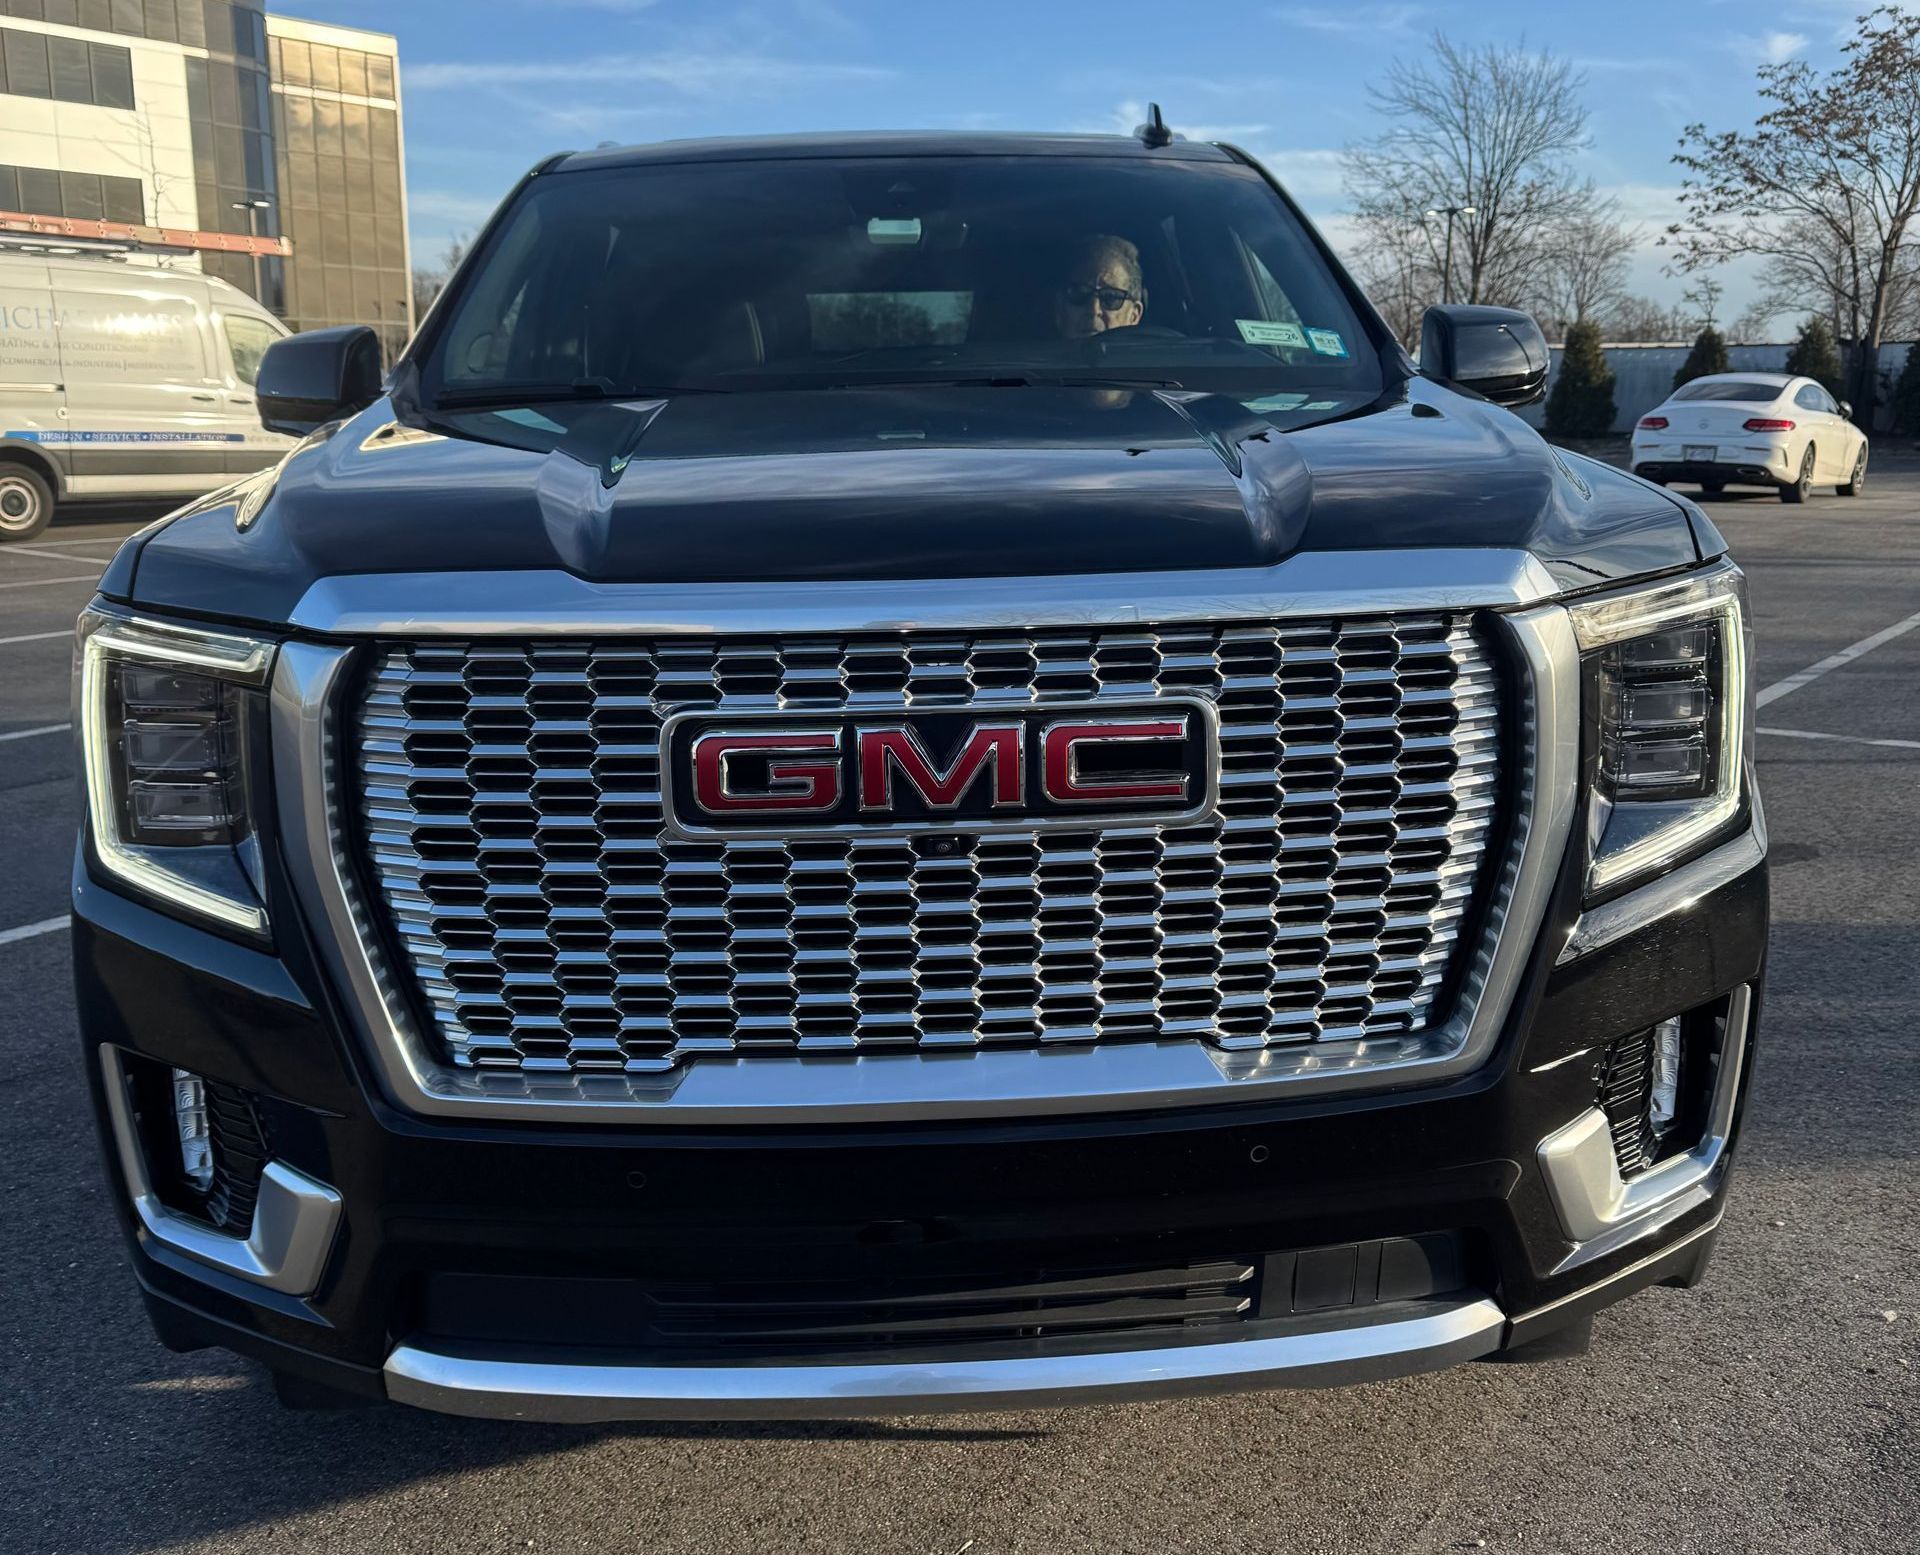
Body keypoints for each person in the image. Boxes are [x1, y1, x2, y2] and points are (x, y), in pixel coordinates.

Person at [1052, 234, 1146, 339]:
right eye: (1080, 294)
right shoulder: (1031, 355)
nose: (1094, 310)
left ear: (1133, 316)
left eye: (1110, 298)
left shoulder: (1157, 355)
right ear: (1059, 308)